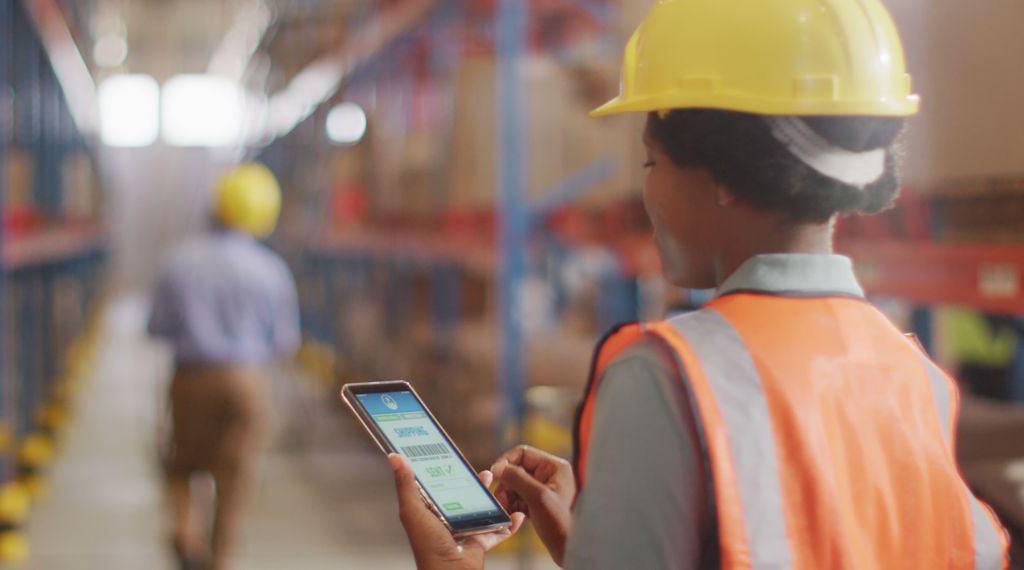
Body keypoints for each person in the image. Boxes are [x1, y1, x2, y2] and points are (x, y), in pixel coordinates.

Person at [388, 0, 1011, 568]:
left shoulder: (668, 376)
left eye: (651, 161)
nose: (645, 192)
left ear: (725, 175)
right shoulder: (913, 374)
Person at [148, 163, 301, 570]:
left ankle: (185, 530)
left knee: (181, 462)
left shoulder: (179, 261)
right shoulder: (272, 270)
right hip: (247, 380)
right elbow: (285, 341)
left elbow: (156, 327)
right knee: (235, 475)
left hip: (191, 375)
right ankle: (222, 560)